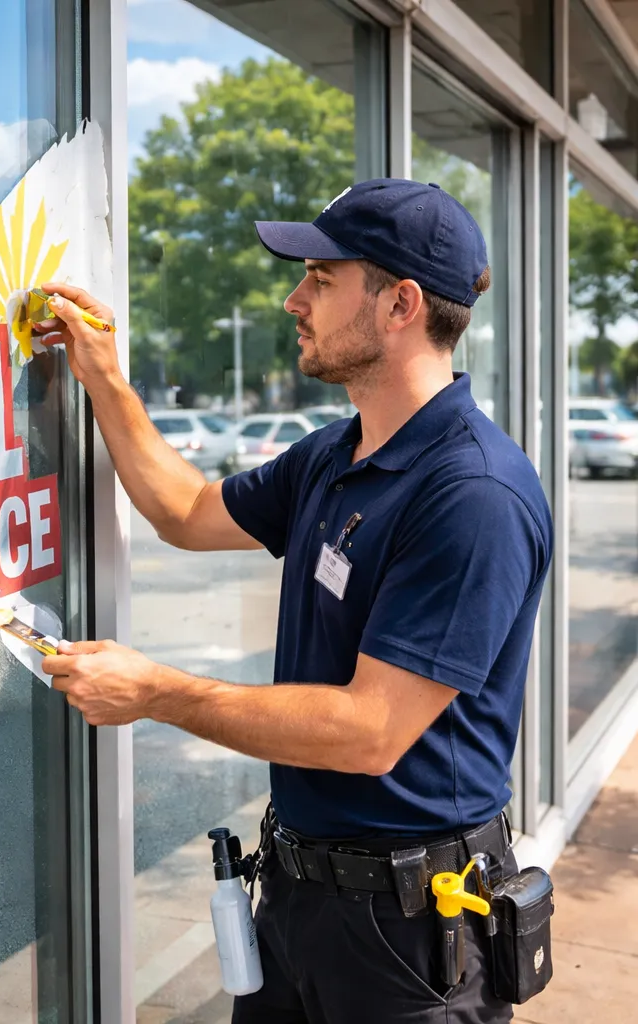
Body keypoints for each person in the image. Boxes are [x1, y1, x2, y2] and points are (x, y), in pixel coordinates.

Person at [35, 178, 553, 1023]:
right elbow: (187, 512)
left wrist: (156, 691)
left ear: (401, 304)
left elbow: (370, 731)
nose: (293, 299)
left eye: (320, 278)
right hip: (296, 898)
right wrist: (104, 378)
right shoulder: (335, 452)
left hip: (408, 936)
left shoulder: (474, 494)